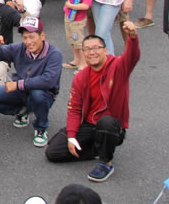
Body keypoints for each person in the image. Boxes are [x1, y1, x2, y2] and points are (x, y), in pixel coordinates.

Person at [45, 22, 141, 184]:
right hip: (89, 125)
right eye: (87, 49)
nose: (92, 52)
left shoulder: (118, 66)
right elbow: (75, 109)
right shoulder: (81, 77)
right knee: (53, 152)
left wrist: (133, 37)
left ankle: (105, 162)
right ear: (83, 53)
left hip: (111, 127)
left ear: (105, 50)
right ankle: (97, 148)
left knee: (106, 122)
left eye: (96, 48)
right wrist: (72, 136)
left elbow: (133, 56)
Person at [0, 16, 63, 148]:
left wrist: (17, 84)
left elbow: (48, 80)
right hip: (21, 91)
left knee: (37, 94)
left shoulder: (54, 54)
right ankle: (22, 110)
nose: (28, 41)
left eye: (32, 37)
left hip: (44, 94)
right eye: (25, 37)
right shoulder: (19, 48)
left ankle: (41, 127)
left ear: (42, 36)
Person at [62, 0, 97, 71]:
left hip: (77, 19)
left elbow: (86, 5)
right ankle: (76, 60)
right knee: (71, 39)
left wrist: (71, 6)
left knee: (78, 41)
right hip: (69, 14)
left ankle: (84, 64)